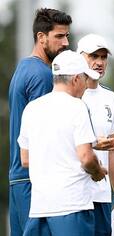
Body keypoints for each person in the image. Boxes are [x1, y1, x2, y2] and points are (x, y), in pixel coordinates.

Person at [17, 50, 107, 236]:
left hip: (40, 208)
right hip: (72, 207)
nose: (86, 85)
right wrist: (98, 172)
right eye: (85, 79)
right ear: (75, 79)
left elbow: (25, 160)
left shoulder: (31, 109)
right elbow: (86, 157)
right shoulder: (77, 107)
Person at [8, 8, 72, 236]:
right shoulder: (43, 75)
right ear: (41, 37)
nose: (65, 42)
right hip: (34, 180)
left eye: (67, 36)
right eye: (59, 36)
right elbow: (46, 132)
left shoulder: (23, 68)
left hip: (18, 179)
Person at [77, 33, 114, 235]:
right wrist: (92, 145)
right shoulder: (69, 96)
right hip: (73, 195)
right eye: (93, 56)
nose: (99, 62)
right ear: (79, 56)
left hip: (101, 195)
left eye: (103, 57)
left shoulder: (110, 97)